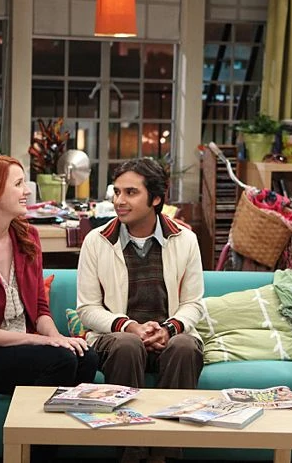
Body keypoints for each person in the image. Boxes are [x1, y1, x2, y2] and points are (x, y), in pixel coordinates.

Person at [76, 157, 204, 463]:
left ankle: (166, 453)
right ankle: (130, 453)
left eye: (131, 192)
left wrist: (168, 330)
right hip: (117, 339)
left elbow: (194, 303)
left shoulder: (185, 240)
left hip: (168, 336)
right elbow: (87, 308)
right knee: (128, 345)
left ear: (156, 198)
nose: (119, 201)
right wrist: (130, 326)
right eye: (117, 192)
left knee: (185, 347)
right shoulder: (96, 241)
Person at [0, 155, 98, 396]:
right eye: (18, 184)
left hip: (22, 345)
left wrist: (57, 337)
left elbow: (40, 308)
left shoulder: (28, 237)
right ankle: (35, 420)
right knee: (61, 360)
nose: (27, 191)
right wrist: (42, 341)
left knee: (86, 355)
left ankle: (66, 417)